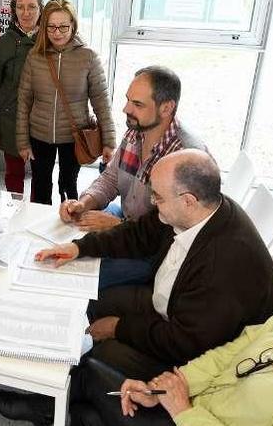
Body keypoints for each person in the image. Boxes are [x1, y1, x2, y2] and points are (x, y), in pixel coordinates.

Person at [0, 149, 273, 424]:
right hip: (174, 307)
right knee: (97, 300)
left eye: (158, 197)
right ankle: (66, 389)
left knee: (105, 353)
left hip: (196, 354)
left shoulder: (225, 265)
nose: (152, 201)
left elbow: (185, 342)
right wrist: (79, 248)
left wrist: (119, 328)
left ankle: (52, 406)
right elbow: (139, 233)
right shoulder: (199, 207)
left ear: (188, 200)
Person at [71, 232, 273, 426]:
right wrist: (164, 388)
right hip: (192, 409)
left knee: (94, 393)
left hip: (191, 417)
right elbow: (225, 357)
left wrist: (183, 410)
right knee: (96, 397)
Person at [60, 66, 208, 288]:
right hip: (128, 222)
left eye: (137, 104)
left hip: (158, 252)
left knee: (77, 276)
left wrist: (118, 226)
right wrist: (84, 202)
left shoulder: (187, 156)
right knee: (69, 234)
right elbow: (111, 178)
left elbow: (176, 230)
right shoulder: (135, 131)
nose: (125, 109)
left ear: (167, 108)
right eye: (128, 100)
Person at [16, 0, 115, 205]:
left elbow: (101, 103)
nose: (57, 33)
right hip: (39, 135)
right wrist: (23, 141)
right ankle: (41, 230)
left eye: (63, 27)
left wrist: (109, 141)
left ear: (73, 25)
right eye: (51, 27)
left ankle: (67, 226)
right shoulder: (35, 56)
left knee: (68, 184)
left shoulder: (88, 57)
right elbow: (24, 101)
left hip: (74, 136)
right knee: (41, 186)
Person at [0, 0, 43, 194]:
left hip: (41, 120)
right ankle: (15, 213)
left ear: (40, 9)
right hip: (9, 119)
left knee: (41, 175)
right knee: (14, 173)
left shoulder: (49, 41)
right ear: (13, 10)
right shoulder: (3, 44)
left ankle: (37, 216)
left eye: (31, 7)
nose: (26, 13)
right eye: (20, 7)